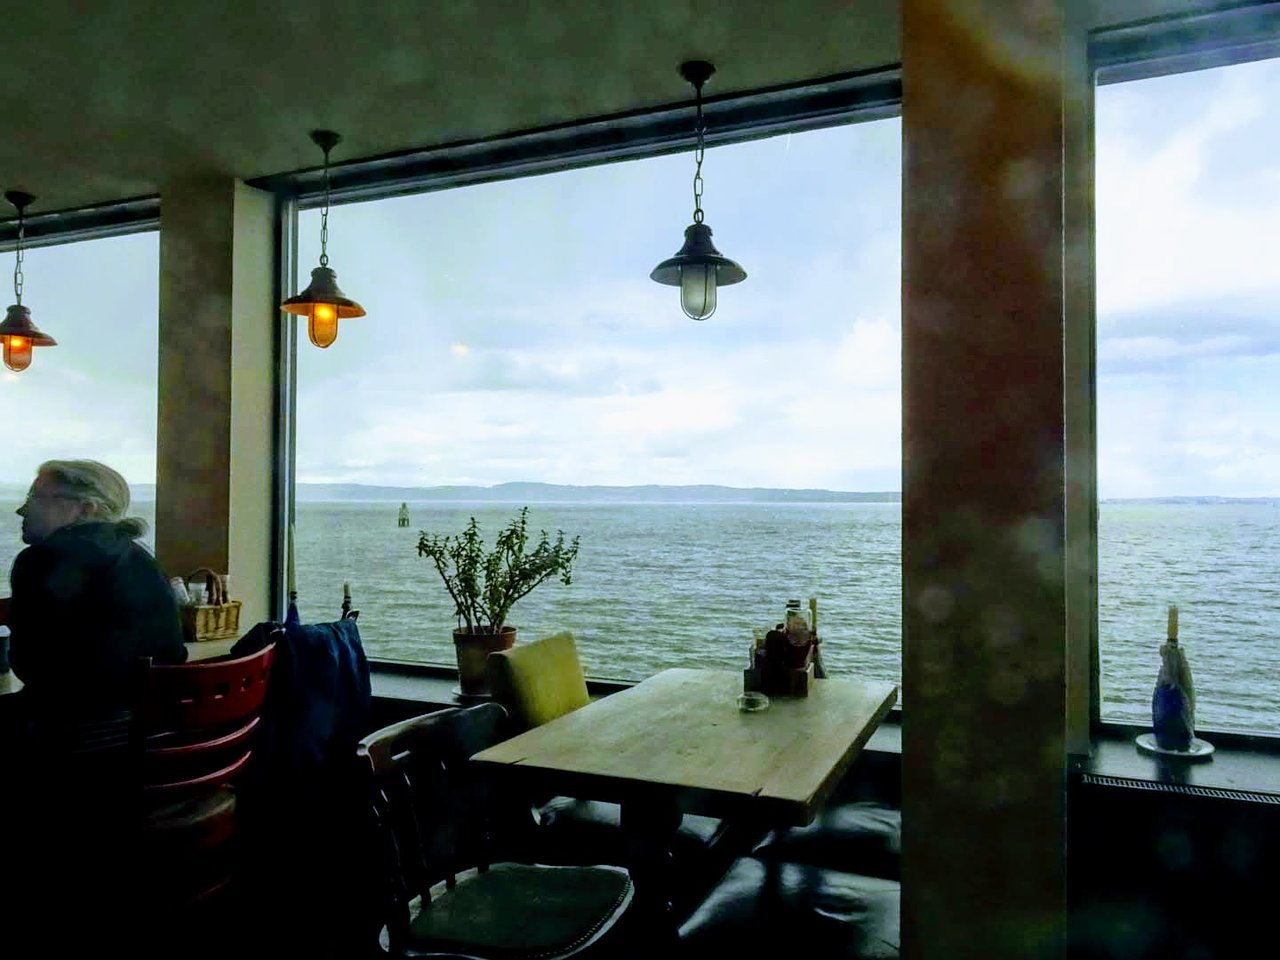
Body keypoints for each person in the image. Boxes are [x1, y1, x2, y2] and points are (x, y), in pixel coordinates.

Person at [3, 460, 186, 956]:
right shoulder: (140, 558)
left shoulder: (41, 561)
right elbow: (173, 654)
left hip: (81, 766)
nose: (21, 509)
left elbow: (29, 667)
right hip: (153, 759)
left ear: (82, 508)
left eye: (36, 497)